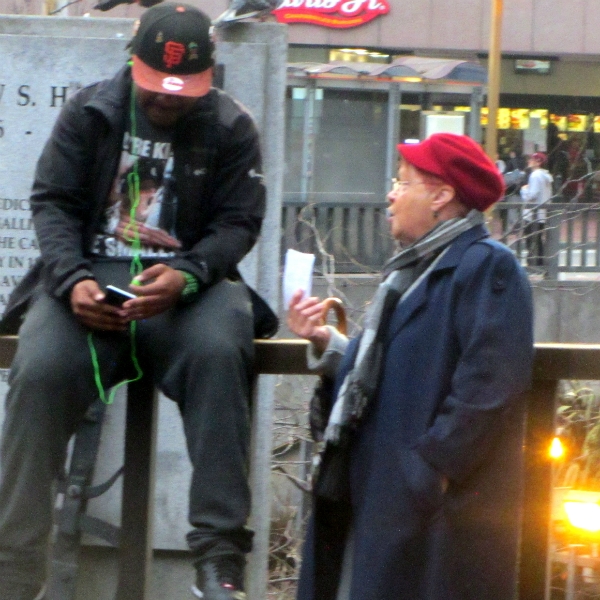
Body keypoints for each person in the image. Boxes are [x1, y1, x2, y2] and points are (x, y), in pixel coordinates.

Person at [0, 4, 267, 600]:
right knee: (38, 373)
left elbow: (239, 222)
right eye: (156, 88)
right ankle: (14, 570)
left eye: (184, 91)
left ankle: (218, 562)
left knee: (222, 353)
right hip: (89, 281)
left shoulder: (231, 126)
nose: (168, 101)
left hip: (186, 288)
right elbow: (52, 202)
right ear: (131, 60)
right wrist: (70, 281)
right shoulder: (89, 112)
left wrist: (190, 274)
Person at [288, 133, 534, 600]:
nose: (391, 194)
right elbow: (392, 366)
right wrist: (328, 344)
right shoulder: (411, 271)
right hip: (387, 493)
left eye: (403, 183)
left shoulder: (486, 265)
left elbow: (492, 383)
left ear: (441, 197)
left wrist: (430, 469)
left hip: (430, 508)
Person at [520, 151, 553, 270]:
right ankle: (540, 264)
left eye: (532, 159)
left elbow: (531, 196)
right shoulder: (546, 176)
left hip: (532, 214)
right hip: (542, 214)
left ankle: (533, 265)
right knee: (538, 240)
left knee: (531, 239)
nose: (529, 161)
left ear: (538, 162)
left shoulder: (535, 175)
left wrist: (523, 190)